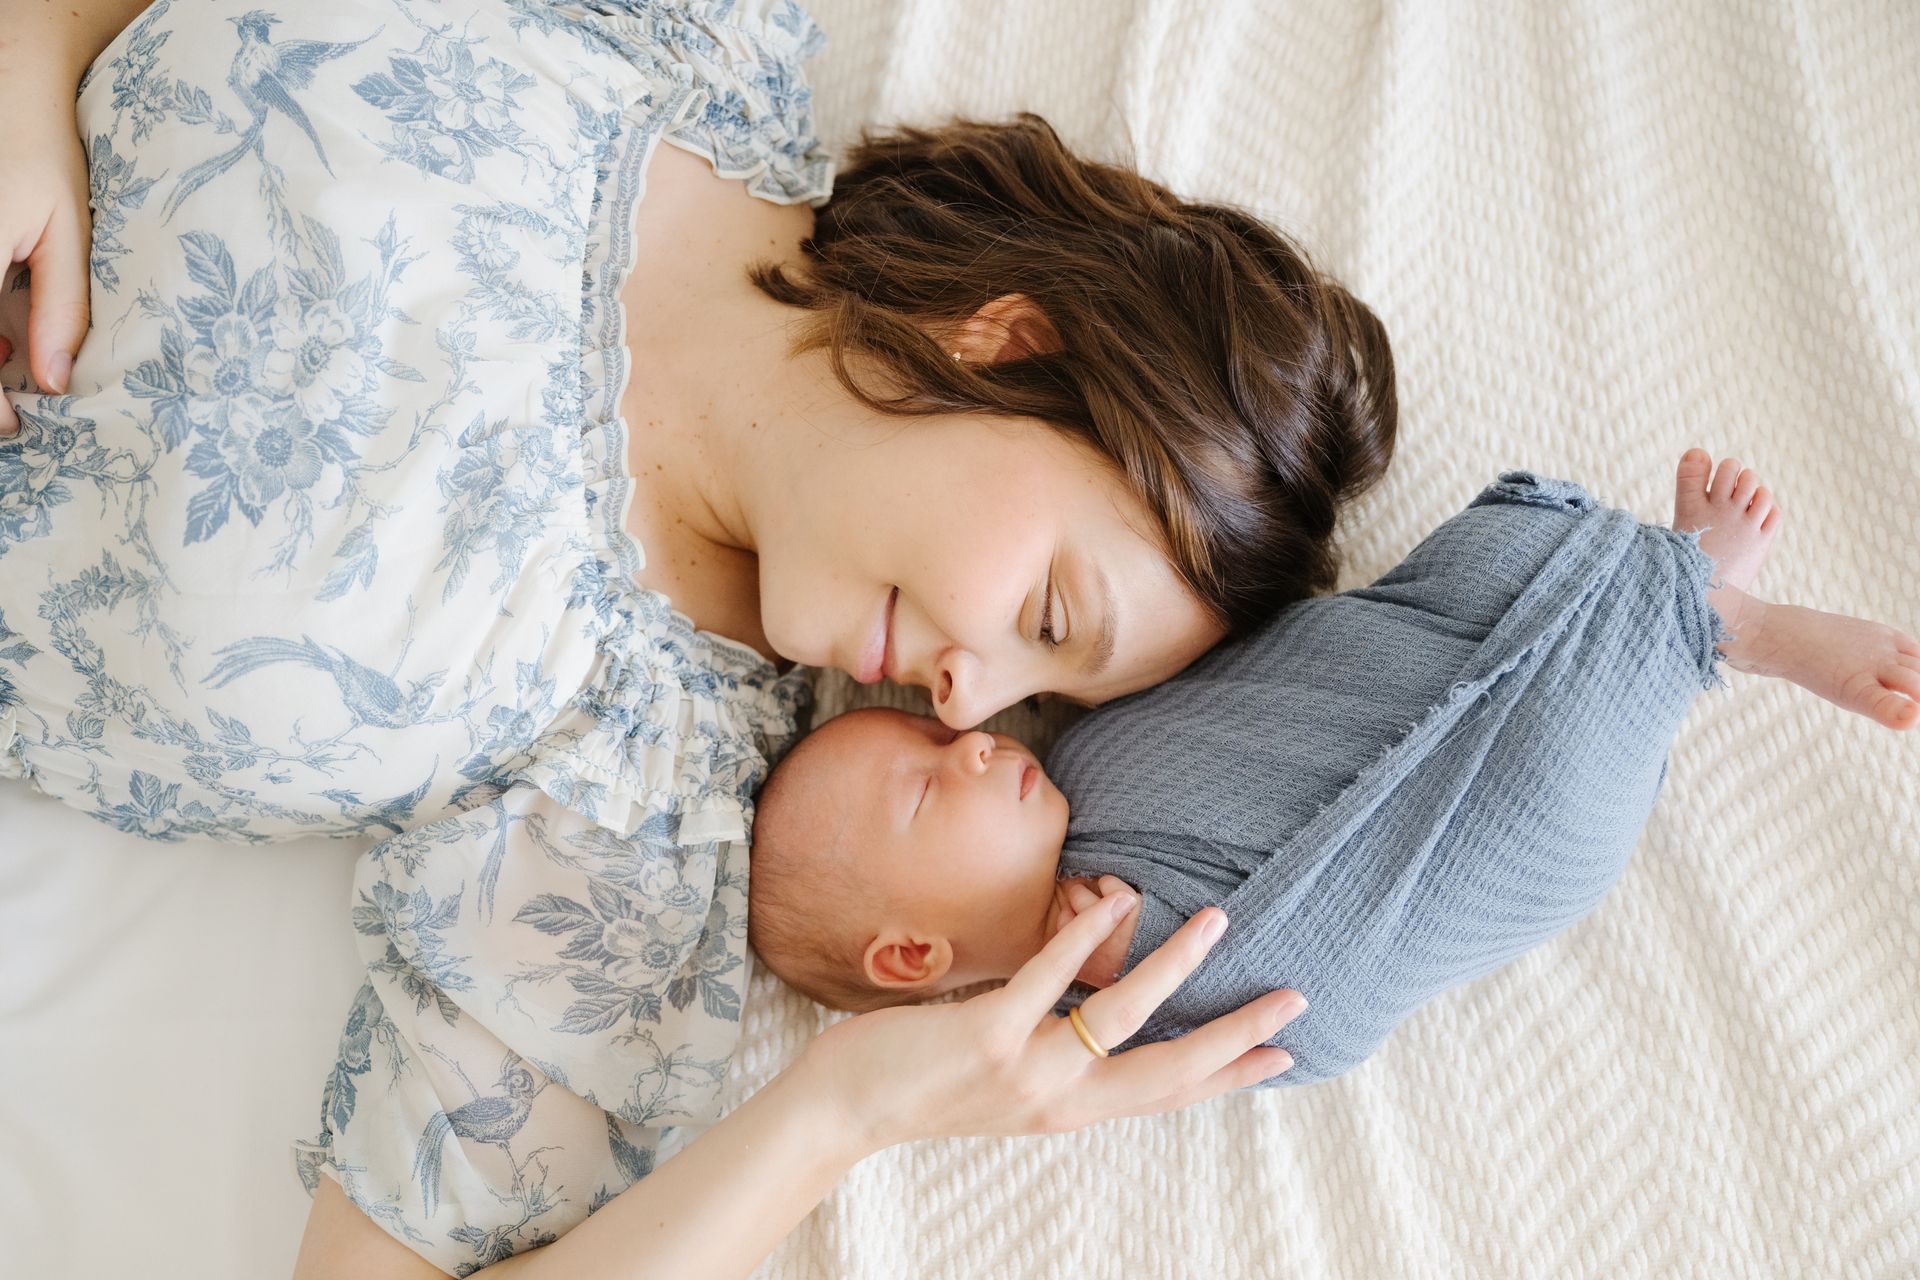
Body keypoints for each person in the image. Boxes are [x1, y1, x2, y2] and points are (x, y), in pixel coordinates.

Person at [0, 0, 1388, 1273]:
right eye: (1047, 617)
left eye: (1043, 689)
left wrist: (846, 1112)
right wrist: (27, 54)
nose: (971, 703)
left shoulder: (634, 816)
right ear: (1008, 343)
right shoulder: (679, 35)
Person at [743, 451, 1919, 1078]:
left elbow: (1297, 666)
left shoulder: (1084, 747)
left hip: (1423, 656)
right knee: (1551, 786)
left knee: (1479, 560)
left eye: (938, 738)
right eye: (926, 785)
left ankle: (1671, 587)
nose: (974, 741)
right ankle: (1717, 616)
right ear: (913, 952)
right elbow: (1311, 1022)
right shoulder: (1082, 1022)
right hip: (1476, 834)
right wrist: (1146, 958)